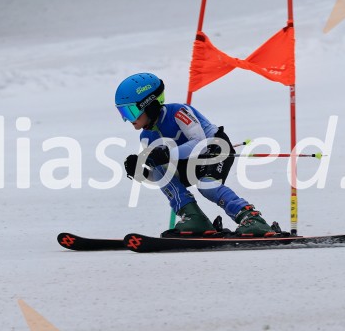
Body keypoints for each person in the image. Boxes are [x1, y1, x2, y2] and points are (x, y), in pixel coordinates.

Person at [116, 72, 274, 237]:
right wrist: (142, 173)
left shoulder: (178, 112)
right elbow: (160, 176)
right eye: (123, 113)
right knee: (159, 168)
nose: (128, 119)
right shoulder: (146, 137)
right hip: (188, 161)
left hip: (214, 148)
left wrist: (167, 154)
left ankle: (251, 218)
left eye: (130, 112)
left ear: (150, 106)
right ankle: (194, 218)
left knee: (207, 185)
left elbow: (199, 142)